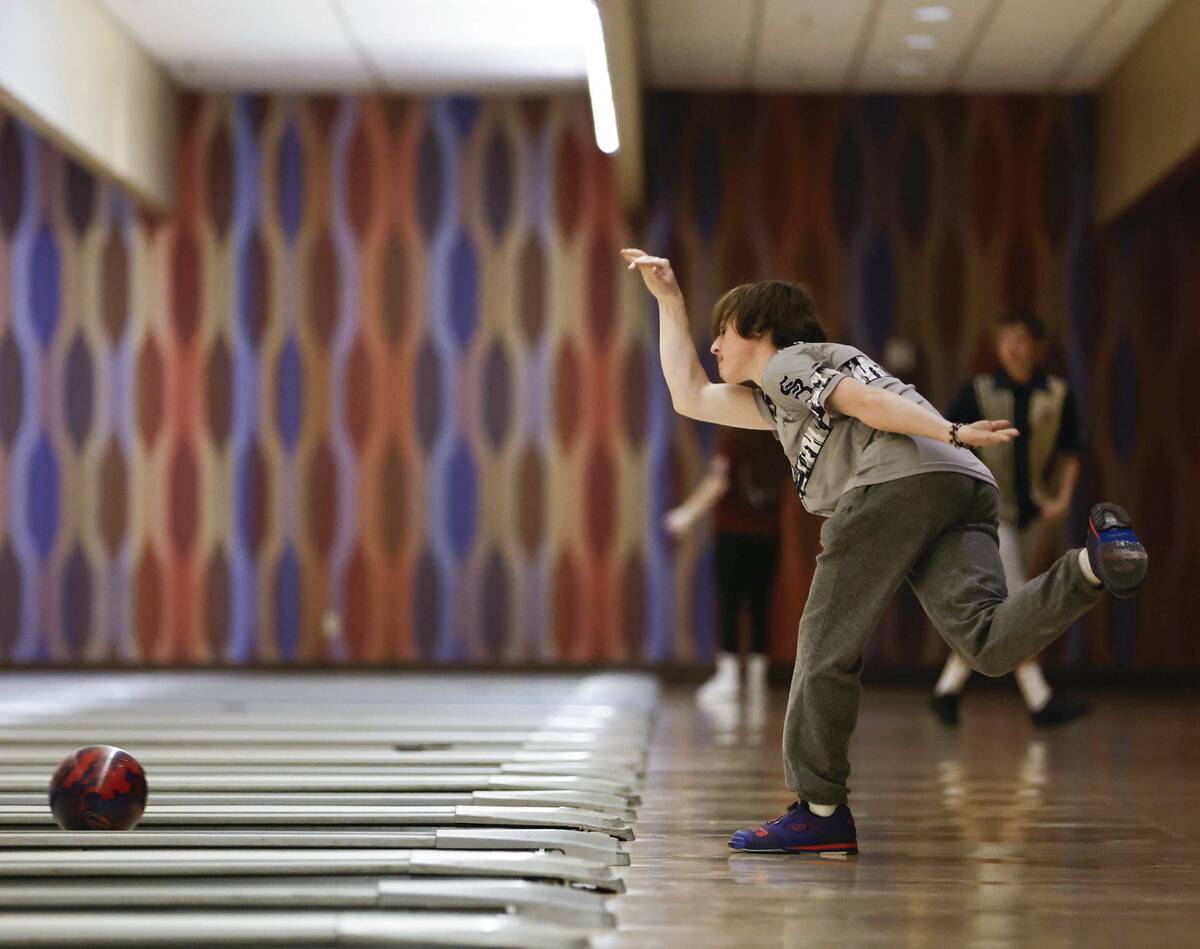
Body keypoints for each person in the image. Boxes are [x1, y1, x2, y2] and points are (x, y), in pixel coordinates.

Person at [621, 248, 1148, 856]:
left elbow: (862, 404)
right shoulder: (781, 399)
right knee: (986, 643)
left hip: (894, 481)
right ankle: (1091, 566)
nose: (713, 346)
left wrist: (951, 427)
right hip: (965, 484)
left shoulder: (789, 363)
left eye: (723, 331)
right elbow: (688, 394)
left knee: (823, 642)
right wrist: (668, 300)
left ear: (762, 332)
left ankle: (819, 810)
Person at [931, 311, 1090, 728]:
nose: (1013, 348)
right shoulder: (979, 391)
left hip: (1034, 513)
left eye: (1021, 340)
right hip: (990, 510)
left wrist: (1062, 500)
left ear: (1037, 346)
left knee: (1004, 606)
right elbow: (945, 433)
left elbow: (1073, 451)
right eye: (1006, 340)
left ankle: (947, 690)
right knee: (1018, 603)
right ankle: (1040, 699)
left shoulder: (1056, 393)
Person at [664, 428, 790, 704]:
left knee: (730, 603)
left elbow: (717, 482)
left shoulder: (735, 440)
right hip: (769, 535)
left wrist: (688, 514)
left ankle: (730, 675)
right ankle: (758, 675)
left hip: (734, 534)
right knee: (761, 606)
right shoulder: (780, 440)